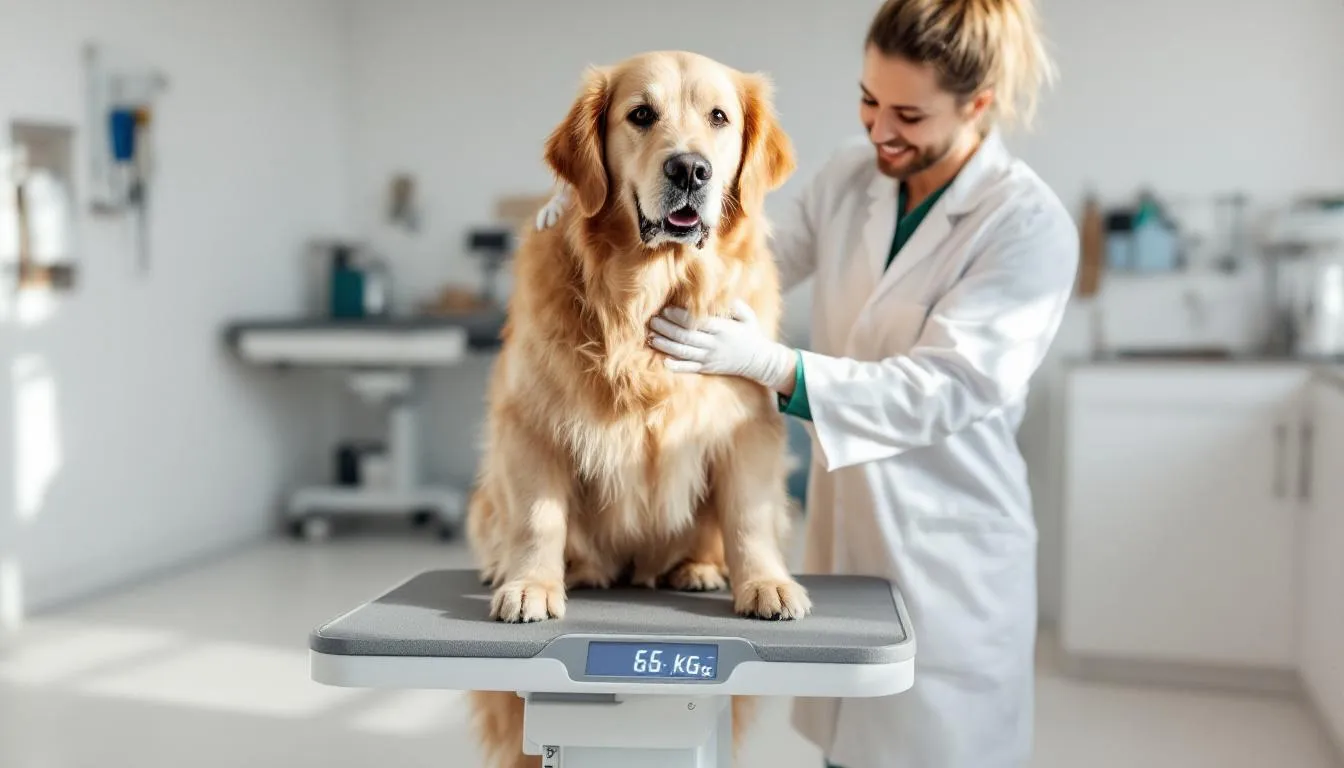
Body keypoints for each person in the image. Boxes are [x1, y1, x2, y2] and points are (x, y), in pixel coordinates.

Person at [539, 1, 1077, 765]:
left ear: (979, 106)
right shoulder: (855, 178)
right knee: (847, 752)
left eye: (908, 114)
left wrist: (774, 366)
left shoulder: (1027, 226)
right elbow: (754, 253)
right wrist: (608, 199)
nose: (879, 130)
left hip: (953, 552)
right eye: (867, 100)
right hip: (846, 534)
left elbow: (948, 389)